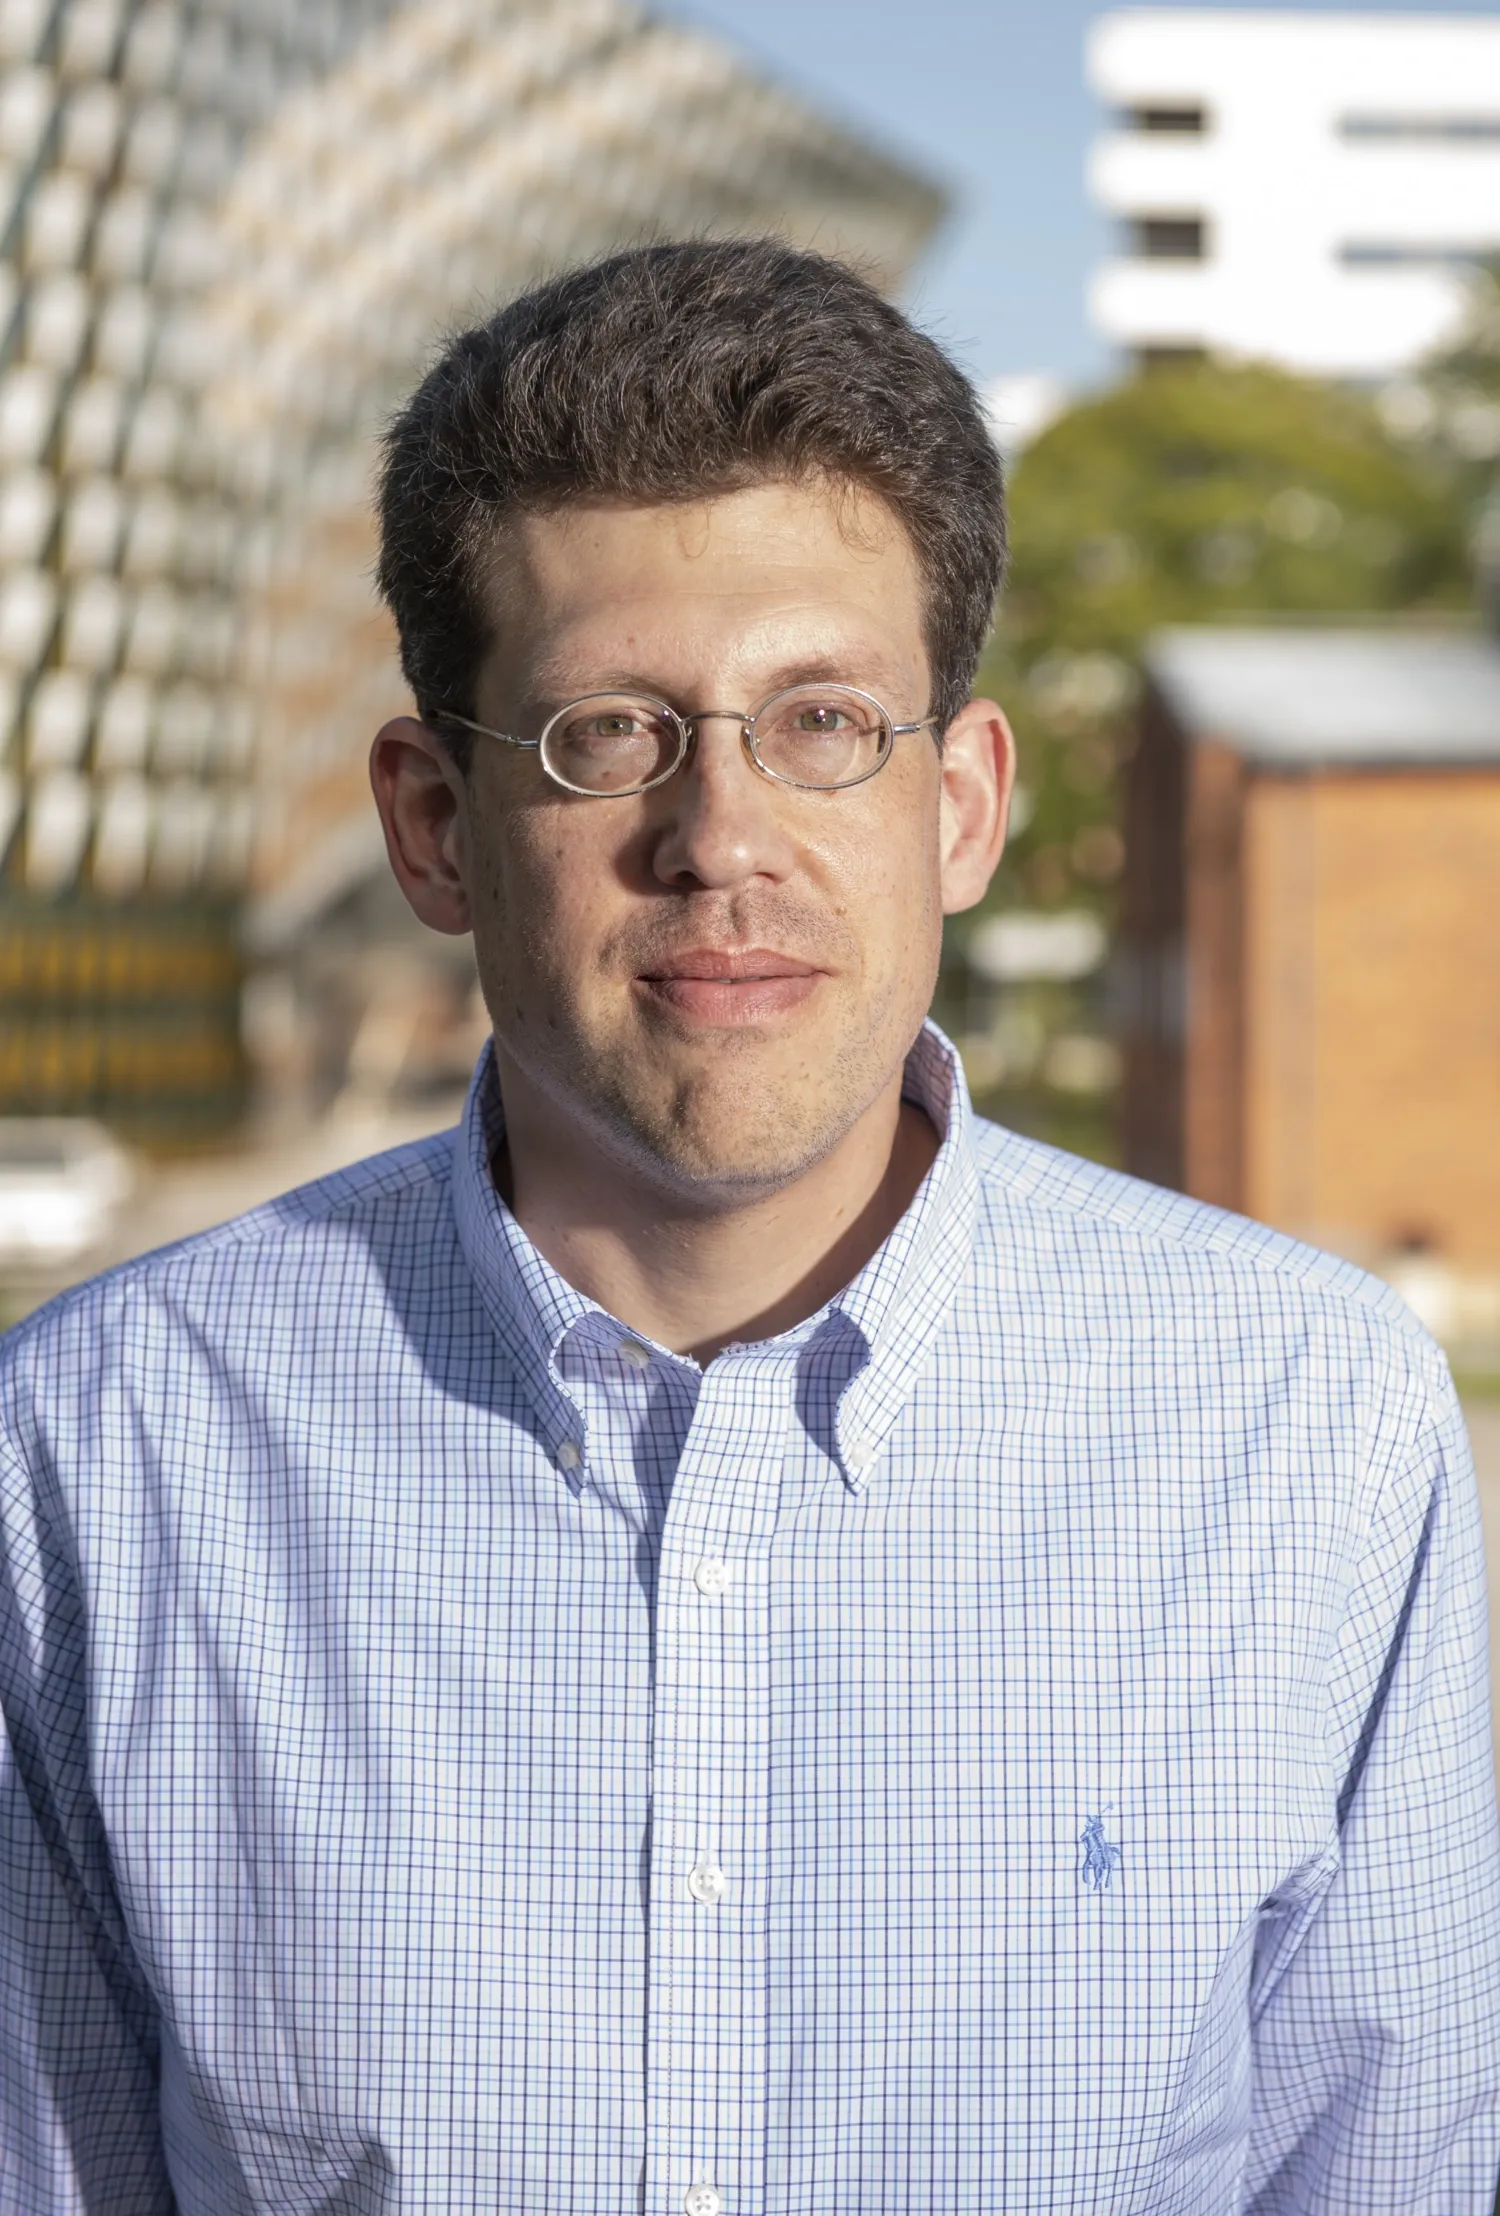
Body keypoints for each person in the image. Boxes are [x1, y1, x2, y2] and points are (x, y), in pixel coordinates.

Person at [0, 240, 1496, 2216]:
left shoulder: (1312, 1422)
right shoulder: (96, 1453)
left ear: (960, 807)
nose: (721, 837)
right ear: (436, 826)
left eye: (822, 724)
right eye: (608, 731)